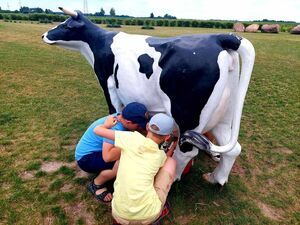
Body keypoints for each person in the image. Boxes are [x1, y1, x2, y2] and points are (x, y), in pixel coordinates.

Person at [94, 113, 177, 224]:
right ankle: (158, 212)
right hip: (148, 216)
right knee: (170, 162)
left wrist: (107, 125)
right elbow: (166, 158)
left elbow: (97, 130)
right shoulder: (160, 156)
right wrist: (173, 145)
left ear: (147, 126)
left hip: (118, 214)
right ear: (167, 137)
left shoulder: (130, 138)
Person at [75, 102, 149, 202]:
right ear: (128, 122)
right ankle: (96, 184)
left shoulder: (120, 117)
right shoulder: (116, 128)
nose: (140, 128)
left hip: (93, 152)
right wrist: (131, 144)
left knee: (129, 154)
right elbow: (108, 156)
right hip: (86, 159)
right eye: (139, 125)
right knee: (124, 160)